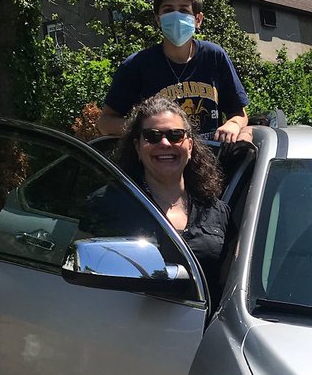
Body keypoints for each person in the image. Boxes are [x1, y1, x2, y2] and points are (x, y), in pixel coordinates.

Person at [90, 96, 231, 300]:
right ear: (137, 147)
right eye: (152, 136)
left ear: (190, 146)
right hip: (125, 325)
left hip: (205, 329)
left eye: (175, 135)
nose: (165, 143)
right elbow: (88, 279)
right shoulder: (108, 204)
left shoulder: (216, 210)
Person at [96, 0, 249, 143]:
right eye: (168, 10)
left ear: (198, 20)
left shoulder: (214, 57)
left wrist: (233, 125)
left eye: (184, 10)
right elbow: (105, 123)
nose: (176, 16)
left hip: (209, 156)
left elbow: (239, 114)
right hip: (159, 158)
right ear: (158, 19)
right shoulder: (136, 65)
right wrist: (147, 129)